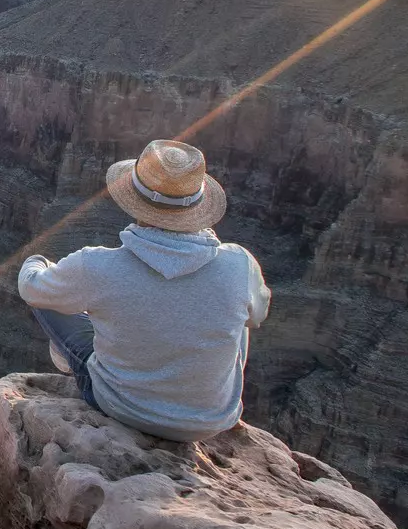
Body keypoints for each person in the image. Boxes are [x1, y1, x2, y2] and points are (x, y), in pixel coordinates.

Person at [16, 139, 269, 443]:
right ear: (199, 205)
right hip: (210, 420)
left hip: (120, 407)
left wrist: (34, 259)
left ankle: (67, 361)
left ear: (132, 198)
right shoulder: (240, 263)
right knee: (242, 311)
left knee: (50, 297)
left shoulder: (96, 265)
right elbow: (258, 317)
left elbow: (31, 289)